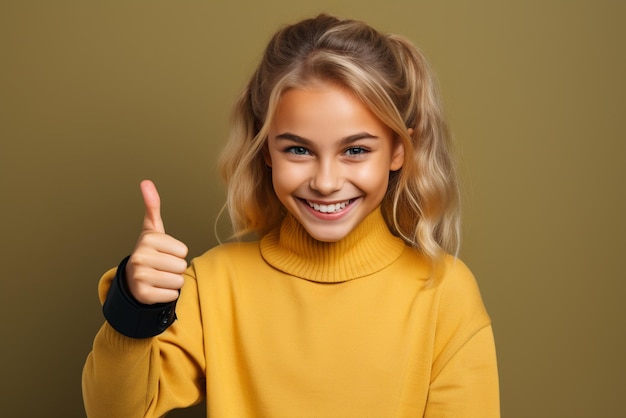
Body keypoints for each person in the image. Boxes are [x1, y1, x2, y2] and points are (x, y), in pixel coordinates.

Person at [82, 14, 499, 417]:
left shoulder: (445, 294)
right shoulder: (213, 286)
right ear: (266, 150)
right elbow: (115, 411)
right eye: (298, 149)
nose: (326, 181)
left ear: (398, 150)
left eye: (355, 150)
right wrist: (133, 308)